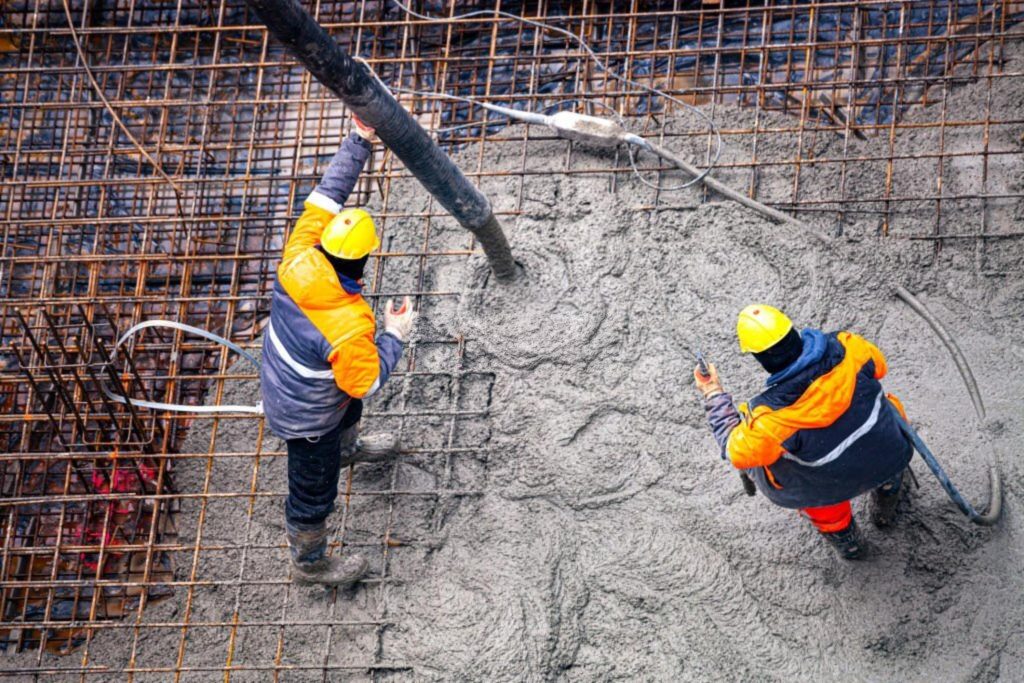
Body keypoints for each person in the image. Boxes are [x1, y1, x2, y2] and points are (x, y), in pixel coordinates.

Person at [260, 115, 416, 586]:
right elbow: (364, 378)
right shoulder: (347, 324)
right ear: (365, 258)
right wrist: (394, 334)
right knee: (313, 492)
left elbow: (326, 197)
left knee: (348, 409)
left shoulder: (300, 254)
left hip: (302, 378)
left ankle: (349, 450)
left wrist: (359, 139)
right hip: (304, 418)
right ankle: (309, 563)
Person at [694, 304, 912, 559]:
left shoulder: (769, 420)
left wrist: (713, 392)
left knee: (817, 500)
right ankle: (888, 502)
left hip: (825, 487)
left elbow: (735, 451)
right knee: (887, 419)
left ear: (758, 358)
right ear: (792, 330)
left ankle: (851, 546)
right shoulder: (849, 347)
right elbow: (880, 367)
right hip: (888, 451)